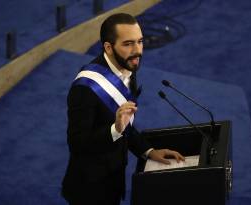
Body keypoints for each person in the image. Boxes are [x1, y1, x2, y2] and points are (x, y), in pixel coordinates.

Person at [61, 13, 185, 205]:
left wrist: (149, 151)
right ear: (108, 47)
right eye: (128, 44)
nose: (137, 51)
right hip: (89, 189)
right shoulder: (85, 88)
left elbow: (126, 126)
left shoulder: (127, 67)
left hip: (115, 180)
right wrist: (115, 129)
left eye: (140, 41)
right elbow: (77, 144)